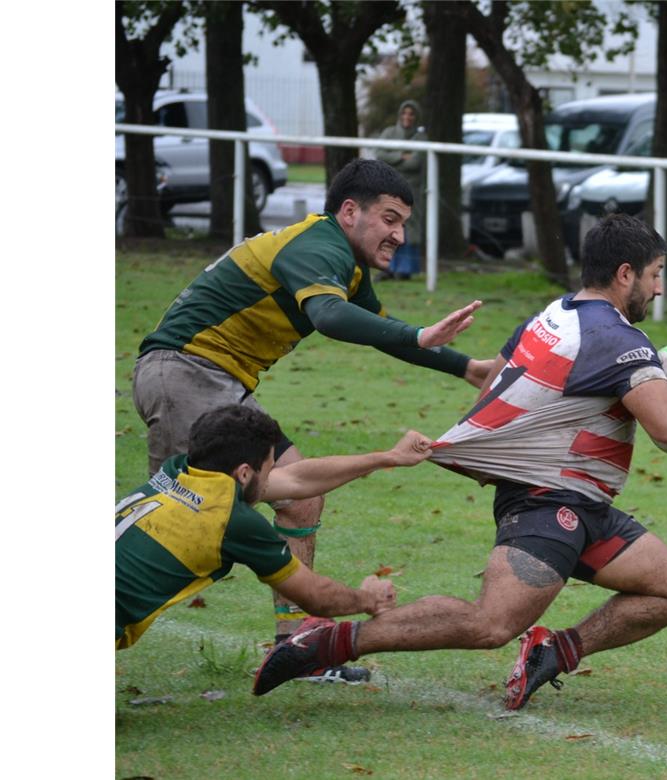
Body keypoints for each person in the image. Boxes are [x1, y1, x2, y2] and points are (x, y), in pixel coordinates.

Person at [252, 214, 667, 708]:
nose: (657, 290)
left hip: (583, 502)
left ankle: (553, 650)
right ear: (626, 273)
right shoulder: (618, 340)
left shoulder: (554, 315)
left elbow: (496, 383)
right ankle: (324, 644)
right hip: (547, 503)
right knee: (491, 623)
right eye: (655, 275)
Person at [132, 158, 492, 671]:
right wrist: (419, 336)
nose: (398, 233)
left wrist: (469, 368)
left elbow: (379, 328)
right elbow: (328, 316)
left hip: (218, 382)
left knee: (302, 502)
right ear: (349, 212)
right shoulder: (317, 245)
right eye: (389, 219)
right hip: (187, 373)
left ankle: (295, 644)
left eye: (403, 223)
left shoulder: (343, 262)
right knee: (172, 537)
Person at [117, 405, 433, 657]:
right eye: (268, 469)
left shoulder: (181, 469)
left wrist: (389, 457)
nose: (270, 479)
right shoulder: (230, 520)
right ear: (243, 473)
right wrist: (369, 599)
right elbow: (316, 597)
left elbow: (296, 480)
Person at [373, 100, 427, 281]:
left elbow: (415, 162)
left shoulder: (420, 138)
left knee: (408, 228)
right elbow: (380, 154)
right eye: (405, 113)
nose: (407, 117)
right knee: (387, 226)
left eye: (411, 114)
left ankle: (405, 270)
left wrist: (394, 159)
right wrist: (402, 156)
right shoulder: (389, 133)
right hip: (388, 189)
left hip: (412, 192)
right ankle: (387, 267)